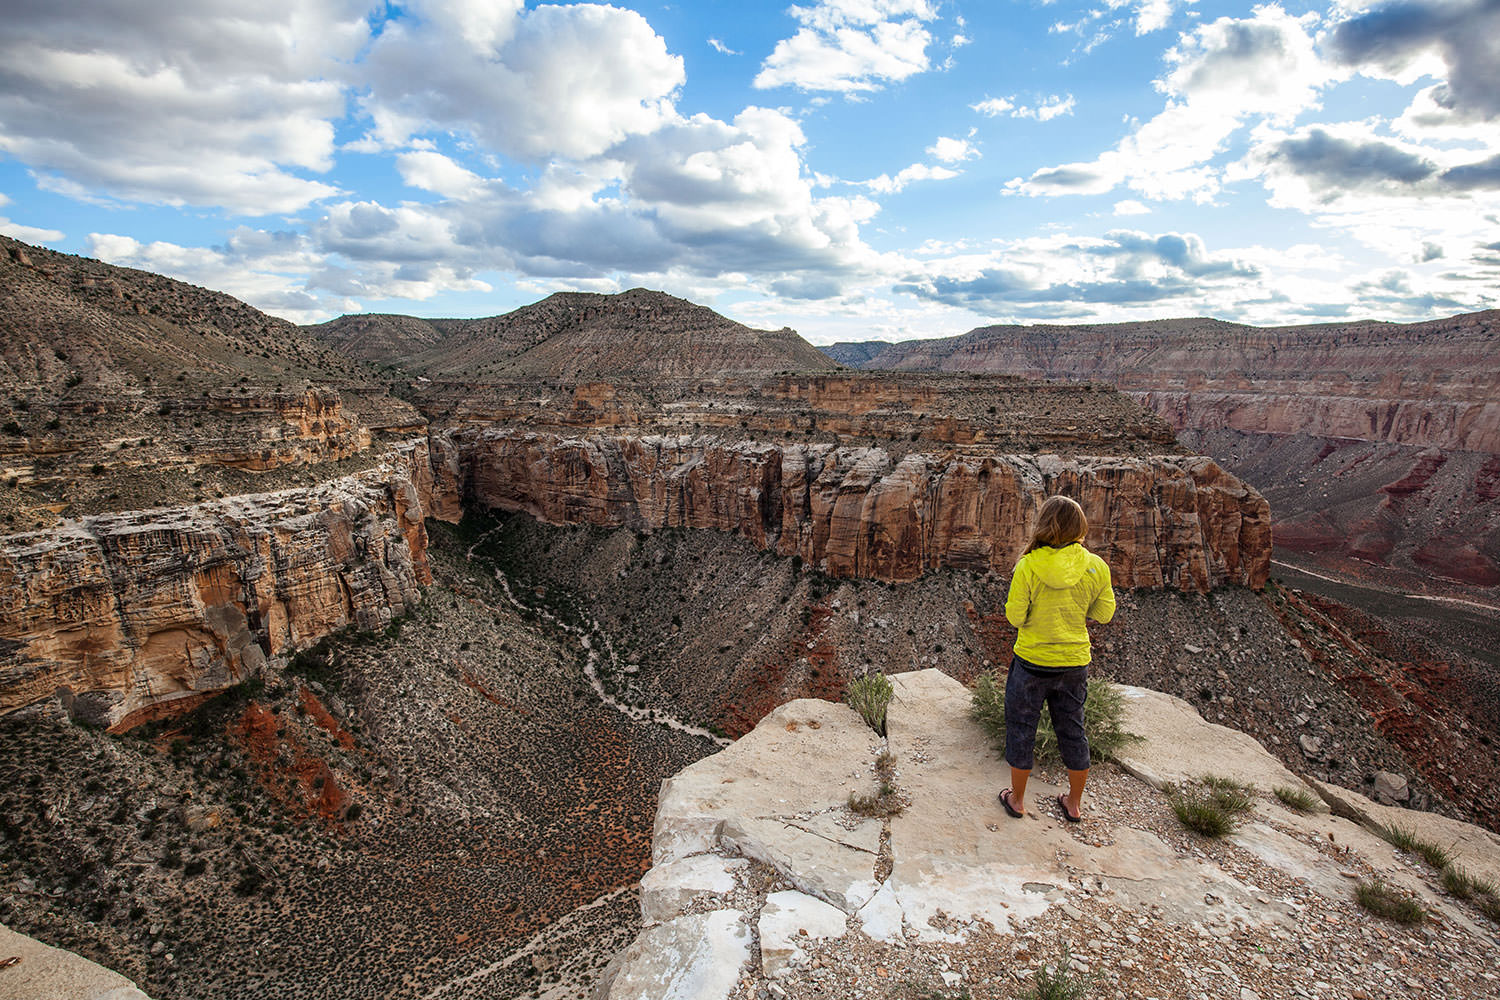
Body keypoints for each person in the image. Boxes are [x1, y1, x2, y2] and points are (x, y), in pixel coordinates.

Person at [996, 495, 1115, 822]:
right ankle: (1073, 804)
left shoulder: (1028, 565)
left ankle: (1017, 800)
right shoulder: (1096, 566)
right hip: (1073, 663)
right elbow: (1104, 613)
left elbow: (1015, 617)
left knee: (1022, 728)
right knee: (1073, 731)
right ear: (1079, 527)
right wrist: (1077, 607)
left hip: (1031, 661)